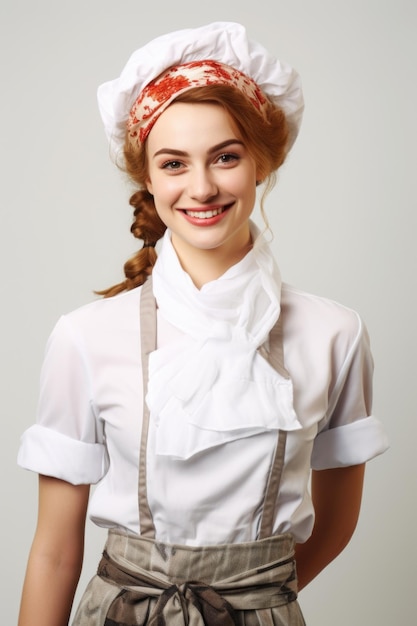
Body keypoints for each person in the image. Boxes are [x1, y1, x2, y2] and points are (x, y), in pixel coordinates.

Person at [17, 21, 389, 626]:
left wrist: (252, 597)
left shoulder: (335, 334)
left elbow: (337, 522)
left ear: (262, 162)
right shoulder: (83, 337)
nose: (201, 186)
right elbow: (55, 553)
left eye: (225, 156)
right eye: (173, 164)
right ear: (148, 179)